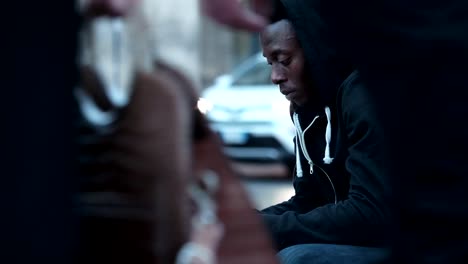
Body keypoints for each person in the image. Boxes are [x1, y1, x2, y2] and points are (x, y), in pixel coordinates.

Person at [258, 18, 390, 263]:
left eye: (284, 60)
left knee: (296, 257)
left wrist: (268, 228)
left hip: (412, 241)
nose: (275, 76)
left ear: (316, 49)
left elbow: (369, 214)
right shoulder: (304, 108)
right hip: (362, 237)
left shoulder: (365, 95)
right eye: (270, 63)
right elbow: (308, 201)